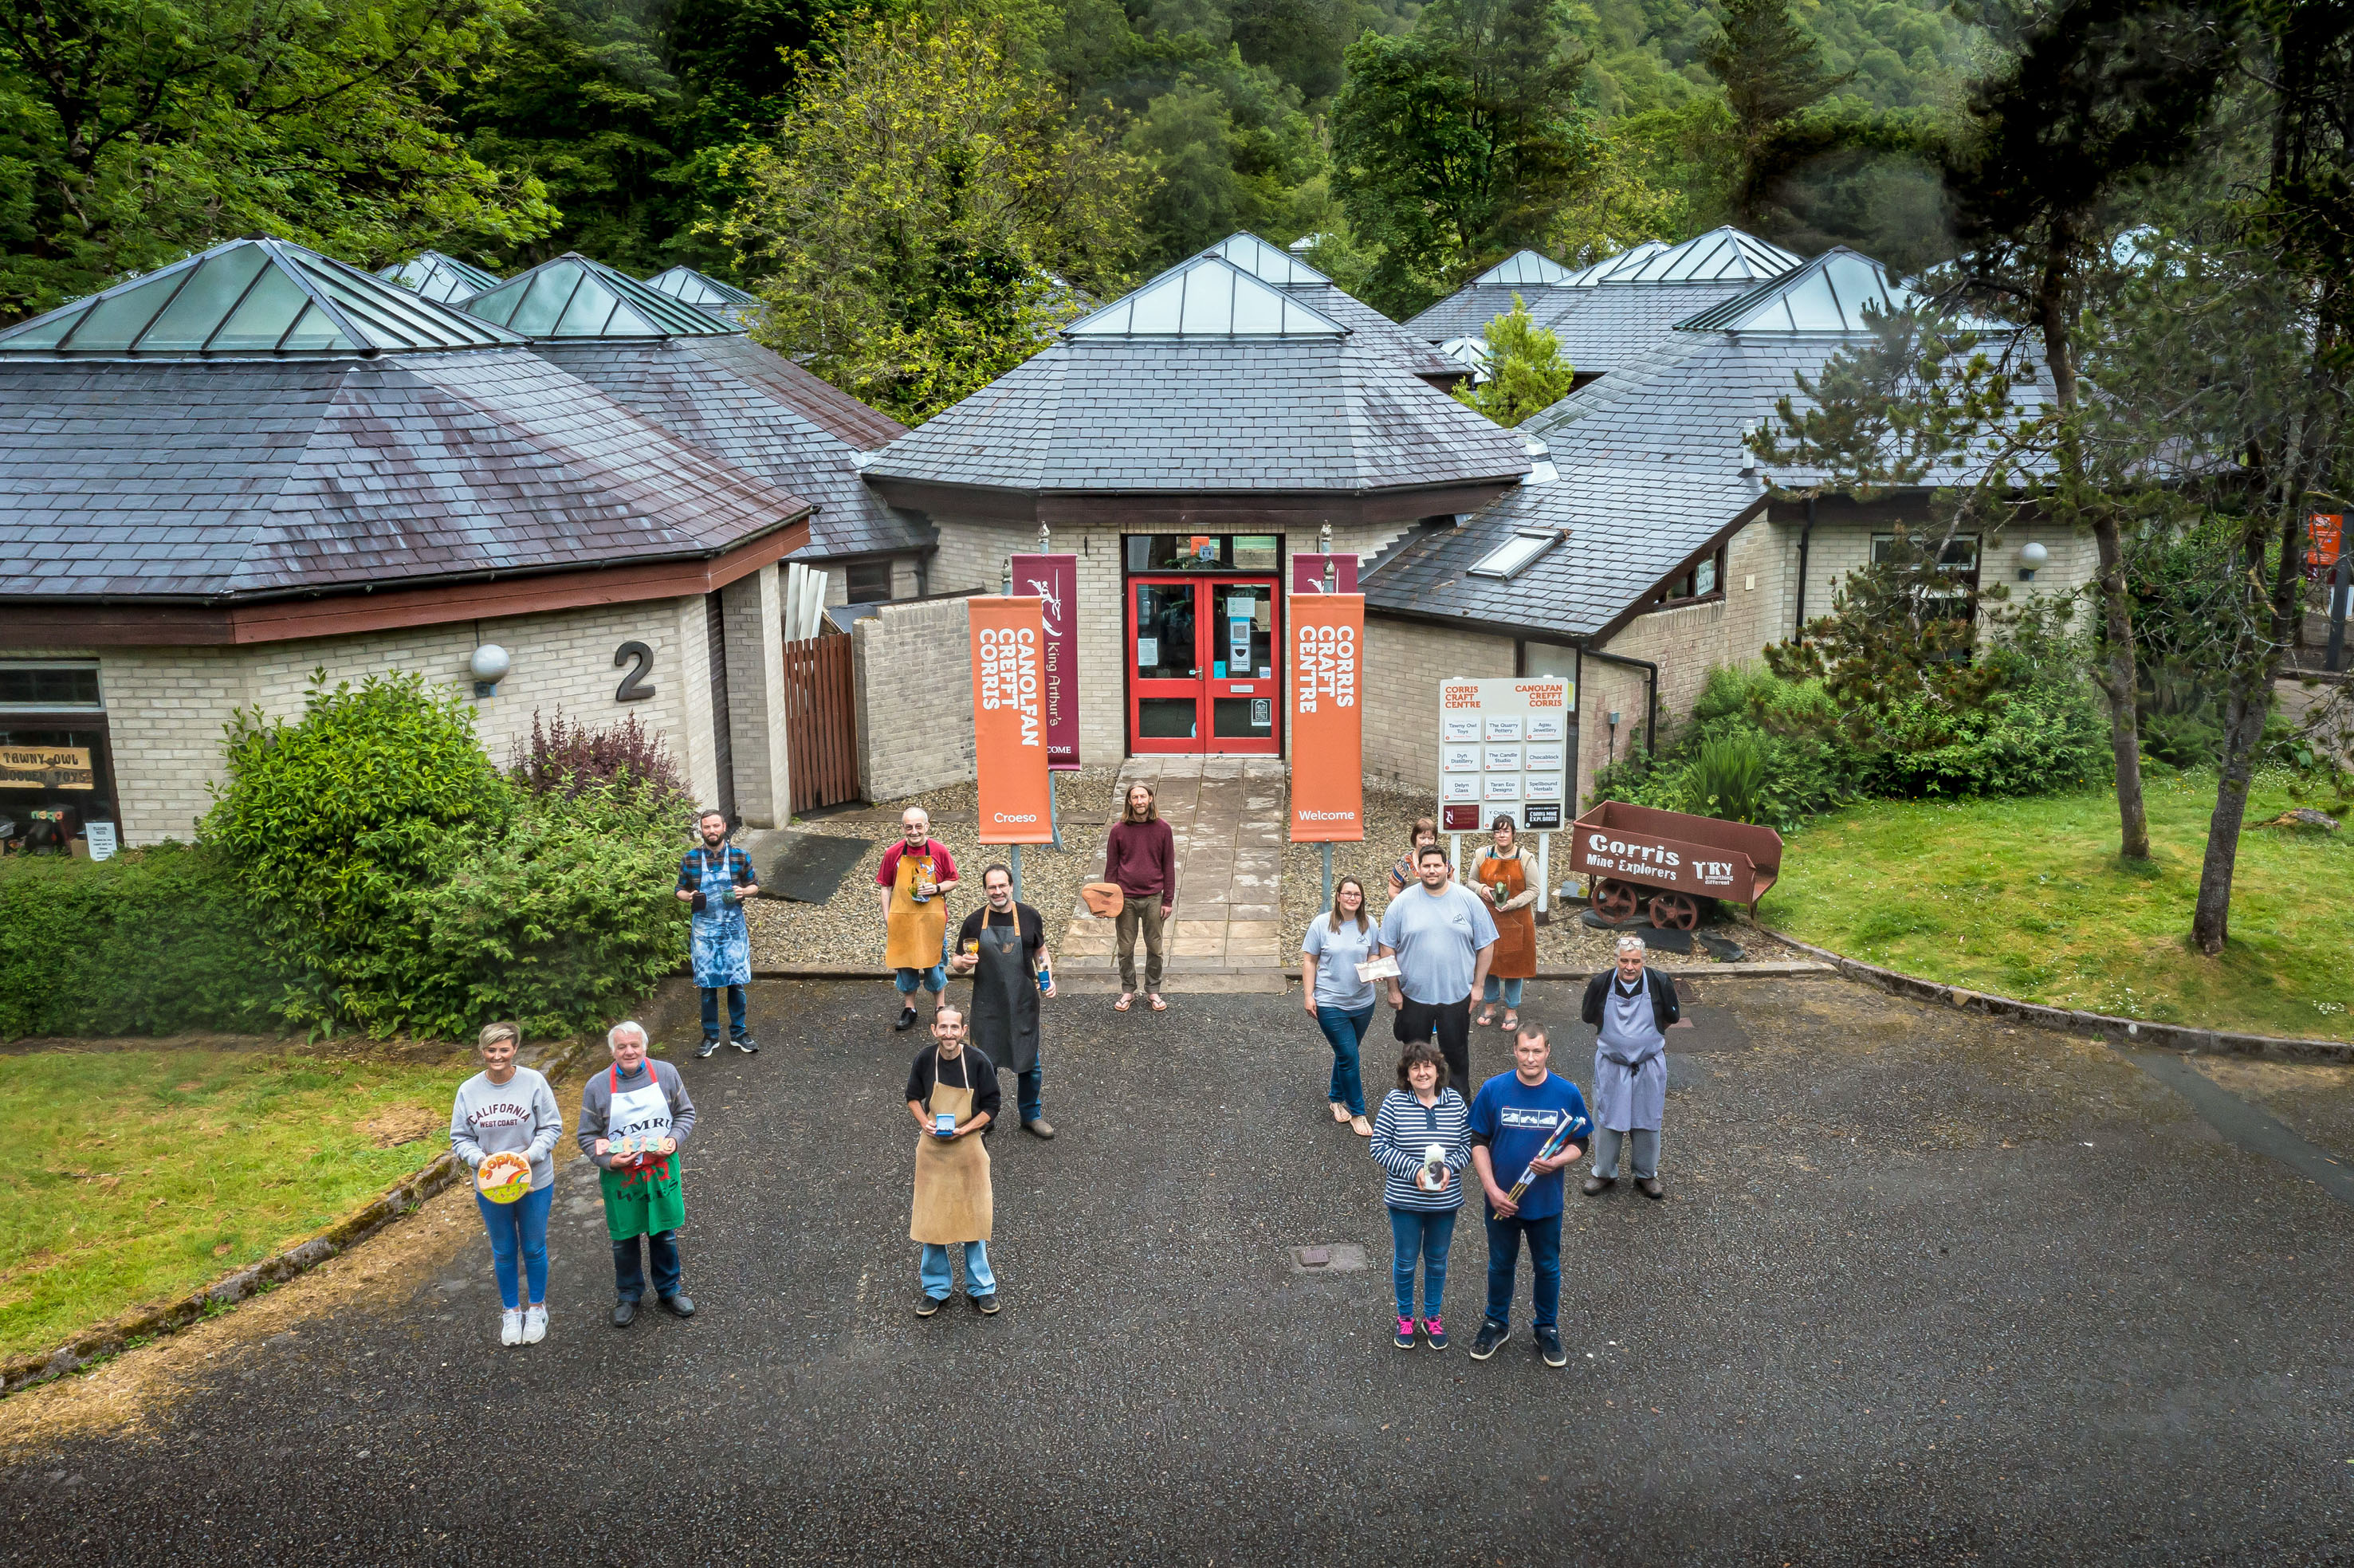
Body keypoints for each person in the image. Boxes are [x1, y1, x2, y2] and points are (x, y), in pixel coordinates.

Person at [1468, 1024, 1590, 1368]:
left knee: (1547, 1267)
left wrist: (1557, 1161)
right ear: (1515, 1050)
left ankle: (1546, 1328)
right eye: (1524, 1051)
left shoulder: (1567, 1093)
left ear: (1548, 1050)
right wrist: (1491, 1190)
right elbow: (1478, 1141)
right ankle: (1496, 1323)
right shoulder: (1494, 1090)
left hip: (1545, 1204)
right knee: (1500, 1265)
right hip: (1501, 1201)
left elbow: (1581, 1142)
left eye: (1537, 1051)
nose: (1531, 1058)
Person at [450, 1021, 564, 1346]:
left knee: (533, 1246)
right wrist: (480, 1161)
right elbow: (460, 1137)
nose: (497, 1056)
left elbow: (551, 1127)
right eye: (490, 1050)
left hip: (535, 1179)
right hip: (491, 1185)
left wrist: (530, 1156)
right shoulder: (468, 1091)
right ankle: (511, 1311)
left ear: (515, 1050)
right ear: (481, 1051)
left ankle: (537, 1308)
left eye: (504, 1049)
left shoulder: (533, 1082)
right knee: (502, 1250)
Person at [579, 1021, 698, 1326]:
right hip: (622, 1175)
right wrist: (608, 1160)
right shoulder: (597, 1086)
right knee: (625, 1238)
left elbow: (686, 1113)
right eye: (622, 1047)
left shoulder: (667, 1073)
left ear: (645, 1047)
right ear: (612, 1051)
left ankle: (670, 1290)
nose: (629, 1051)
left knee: (664, 1233)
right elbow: (587, 1135)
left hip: (661, 1168)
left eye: (634, 1045)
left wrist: (673, 1139)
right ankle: (629, 1295)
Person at [1370, 1040, 1469, 1351]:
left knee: (1437, 1261)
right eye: (1415, 1068)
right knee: (1406, 1261)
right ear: (1407, 1074)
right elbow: (1379, 1146)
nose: (1423, 1073)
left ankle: (1432, 1316)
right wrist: (1414, 1171)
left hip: (1445, 1200)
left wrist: (1450, 1167)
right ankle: (1404, 1318)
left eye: (1428, 1066)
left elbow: (1468, 1145)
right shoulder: (1394, 1102)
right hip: (1405, 1200)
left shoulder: (1455, 1102)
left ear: (1438, 1071)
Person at [1377, 843, 1498, 1096]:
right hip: (1413, 996)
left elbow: (1486, 945)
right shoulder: (1402, 903)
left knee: (1456, 1057)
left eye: (1437, 865)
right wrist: (1393, 989)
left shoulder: (1468, 900)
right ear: (1418, 869)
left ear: (1447, 868)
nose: (1432, 870)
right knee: (1414, 1058)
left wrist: (1478, 987)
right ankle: (1410, 1104)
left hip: (1456, 997)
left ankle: (1460, 1110)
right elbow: (1387, 948)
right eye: (1426, 866)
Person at [947, 864, 1057, 1138]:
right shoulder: (974, 922)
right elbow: (957, 962)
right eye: (991, 887)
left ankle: (1031, 1115)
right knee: (986, 1063)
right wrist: (963, 962)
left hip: (1022, 1003)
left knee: (1029, 1063)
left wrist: (1048, 977)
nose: (998, 892)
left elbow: (1041, 952)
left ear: (1011, 886)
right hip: (988, 1005)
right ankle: (986, 1116)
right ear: (985, 890)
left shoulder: (1030, 916)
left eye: (1002, 886)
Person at [906, 1003, 999, 1315]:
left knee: (974, 1218)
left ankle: (982, 1287)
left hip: (968, 1146)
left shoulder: (977, 1061)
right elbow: (912, 1097)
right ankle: (935, 1288)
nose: (948, 1033)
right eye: (942, 1027)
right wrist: (924, 1122)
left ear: (963, 1031)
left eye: (954, 1028)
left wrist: (966, 1129)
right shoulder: (923, 1059)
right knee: (932, 1220)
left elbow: (992, 1106)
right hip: (932, 1151)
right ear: (934, 1030)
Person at [1581, 933, 1679, 1201]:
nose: (1629, 967)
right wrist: (1619, 1045)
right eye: (1624, 960)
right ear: (1616, 960)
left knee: (1647, 1120)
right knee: (1606, 1120)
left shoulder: (1659, 982)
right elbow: (1589, 1017)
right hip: (1611, 1066)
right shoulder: (1600, 984)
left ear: (1643, 961)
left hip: (1649, 1066)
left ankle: (1647, 1174)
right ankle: (1603, 1172)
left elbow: (1671, 1017)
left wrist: (1645, 1042)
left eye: (1635, 961)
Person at [675, 808, 759, 1059]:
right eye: (706, 827)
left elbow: (755, 884)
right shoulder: (690, 859)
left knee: (736, 983)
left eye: (715, 826)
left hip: (733, 929)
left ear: (724, 827)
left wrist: (745, 892)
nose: (711, 831)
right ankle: (710, 1036)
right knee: (708, 986)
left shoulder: (740, 856)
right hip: (704, 931)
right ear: (702, 830)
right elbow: (678, 889)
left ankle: (739, 1033)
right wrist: (688, 896)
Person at [1301, 874, 1380, 1135]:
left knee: (1347, 1055)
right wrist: (1309, 995)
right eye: (1347, 893)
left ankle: (1336, 1099)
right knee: (1349, 1056)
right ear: (1337, 896)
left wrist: (1374, 968)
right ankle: (1358, 1111)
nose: (1352, 898)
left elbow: (1373, 955)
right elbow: (1310, 961)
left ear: (1362, 898)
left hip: (1363, 1002)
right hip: (1330, 1003)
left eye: (1356, 894)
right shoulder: (1321, 925)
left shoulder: (1369, 924)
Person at [878, 807, 961, 1032]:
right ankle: (910, 1008)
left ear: (927, 827)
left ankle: (940, 1007)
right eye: (908, 827)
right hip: (902, 919)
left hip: (932, 919)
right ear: (903, 828)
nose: (913, 831)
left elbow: (953, 880)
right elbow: (885, 887)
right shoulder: (893, 853)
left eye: (918, 826)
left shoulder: (939, 851)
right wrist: (888, 917)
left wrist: (935, 887)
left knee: (934, 962)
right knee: (904, 963)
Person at [1104, 781, 1175, 1013]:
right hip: (1126, 900)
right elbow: (1111, 868)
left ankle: (1153, 990)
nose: (1139, 801)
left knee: (1155, 948)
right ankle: (1128, 990)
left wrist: (1168, 900)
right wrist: (1108, 901)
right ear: (1129, 801)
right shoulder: (1118, 830)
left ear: (1151, 799)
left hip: (1154, 898)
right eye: (1135, 798)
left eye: (1143, 797)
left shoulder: (1163, 829)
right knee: (1125, 949)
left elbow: (1169, 867)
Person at [1472, 815, 1539, 1034]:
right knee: (1488, 963)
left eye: (1506, 831)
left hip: (1516, 920)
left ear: (1513, 834)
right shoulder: (1482, 855)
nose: (1501, 835)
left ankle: (1512, 1009)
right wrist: (1482, 889)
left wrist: (1513, 903)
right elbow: (1470, 881)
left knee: (1514, 966)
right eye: (1498, 831)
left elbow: (1534, 889)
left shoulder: (1525, 858)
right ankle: (1489, 1006)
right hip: (1488, 918)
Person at [1385, 816, 1452, 897]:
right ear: (1415, 838)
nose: (1427, 843)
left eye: (1431, 838)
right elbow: (1392, 892)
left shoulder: (1443, 861)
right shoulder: (1403, 865)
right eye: (1422, 838)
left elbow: (1451, 889)